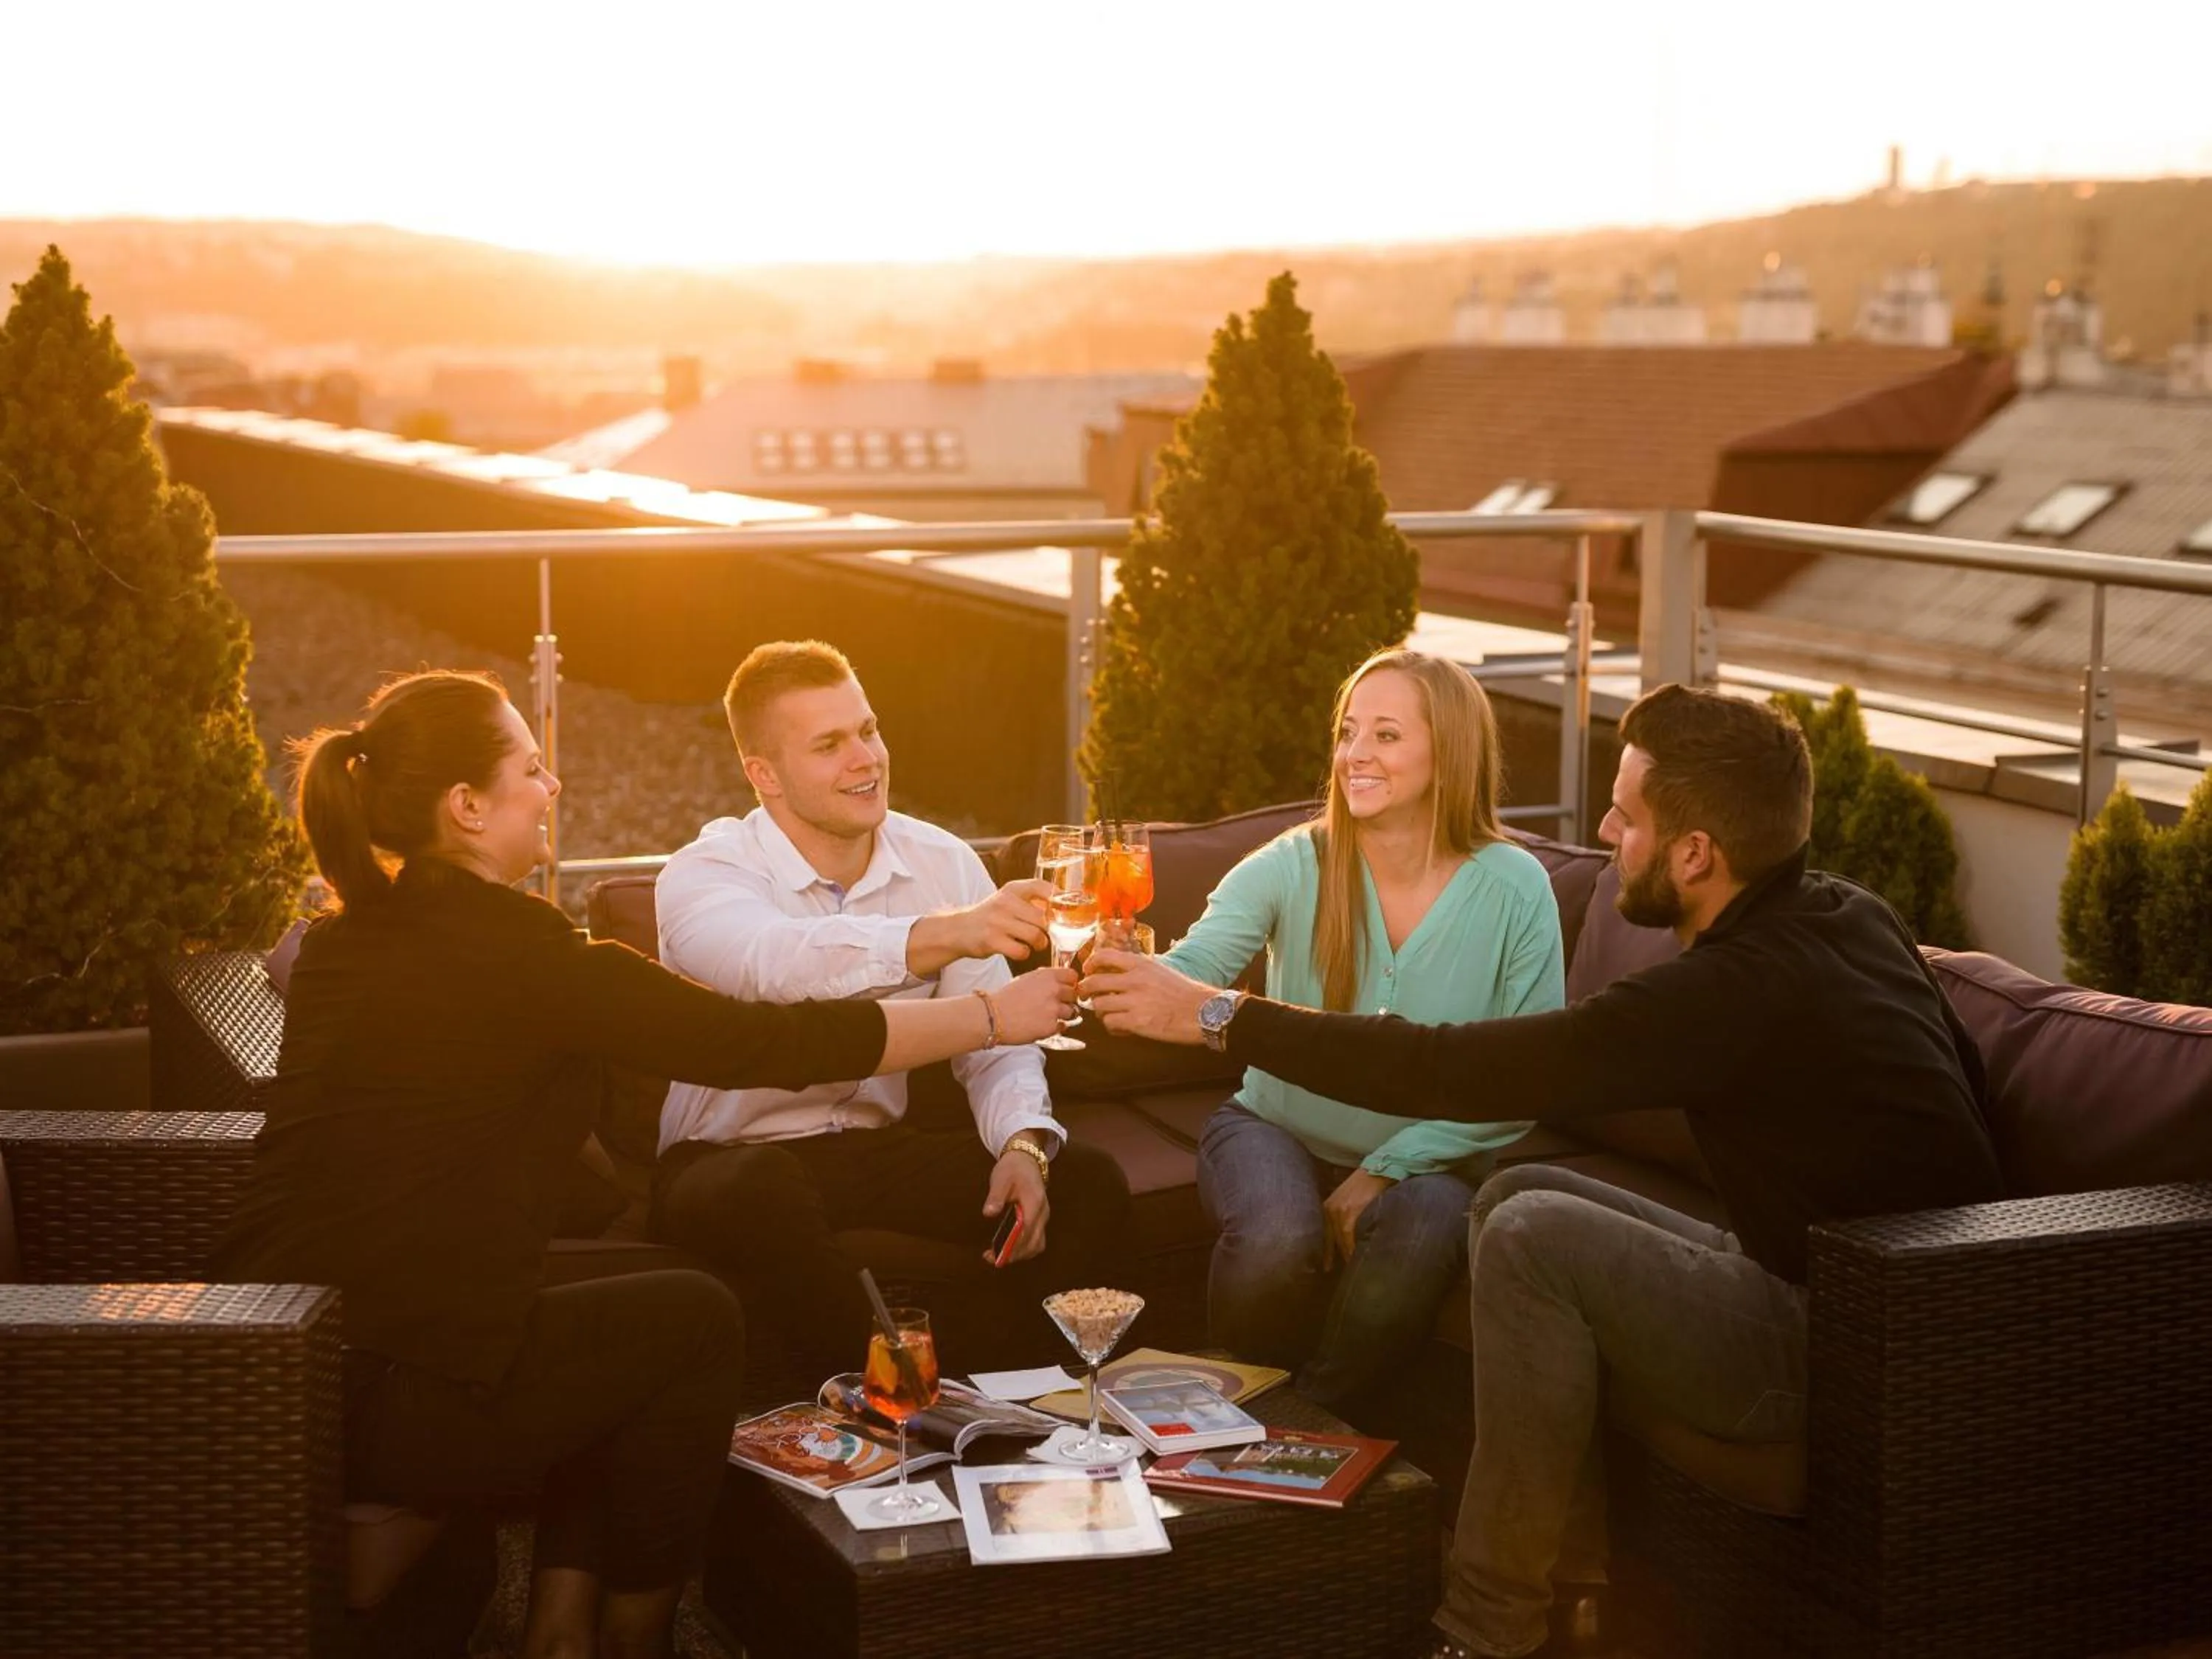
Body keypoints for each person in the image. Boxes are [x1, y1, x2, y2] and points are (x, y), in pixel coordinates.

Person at [1084, 683, 2004, 1659]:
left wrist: (1225, 1015)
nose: (1606, 831)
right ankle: (1577, 1581)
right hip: (1873, 1294)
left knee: (1528, 1230)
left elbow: (1462, 1067)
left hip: (1851, 1353)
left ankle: (1488, 1626)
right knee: (1521, 1193)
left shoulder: (1729, 991)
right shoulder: (1851, 914)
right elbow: (1970, 1087)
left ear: (1697, 854)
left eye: (1629, 815)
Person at [215, 669, 1075, 1659]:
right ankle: (632, 1627)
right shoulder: (522, 952)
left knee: (632, 1302)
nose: (554, 785)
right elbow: (760, 1042)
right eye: (531, 768)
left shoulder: (340, 940)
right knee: (698, 1317)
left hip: (276, 1352)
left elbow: (431, 1120)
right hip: (394, 1382)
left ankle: (563, 1618)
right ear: (465, 806)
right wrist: (988, 1014)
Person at [650, 641, 1132, 1383]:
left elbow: (999, 1037)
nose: (865, 758)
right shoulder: (703, 875)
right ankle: (889, 1404)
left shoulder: (940, 860)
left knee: (1087, 1180)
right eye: (830, 744)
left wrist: (1022, 1146)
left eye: (868, 730)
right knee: (755, 1194)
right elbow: (776, 966)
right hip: (728, 1158)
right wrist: (946, 933)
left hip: (871, 1150)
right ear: (764, 775)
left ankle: (1045, 1405)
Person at [1158, 648, 1562, 1419]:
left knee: (1429, 1225)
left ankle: (1316, 1425)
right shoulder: (1292, 863)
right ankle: (1229, 1421)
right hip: (1270, 1127)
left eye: (1385, 735)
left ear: (1448, 752)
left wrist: (1384, 1168)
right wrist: (1117, 961)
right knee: (1280, 1238)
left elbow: (1528, 1073)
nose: (1354, 756)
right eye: (1348, 734)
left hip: (1431, 1164)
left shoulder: (1517, 889)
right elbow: (1190, 971)